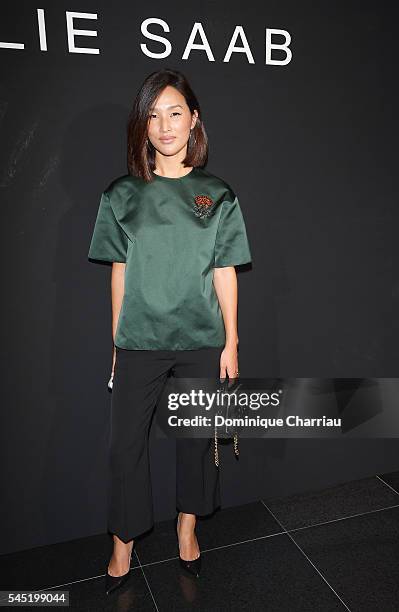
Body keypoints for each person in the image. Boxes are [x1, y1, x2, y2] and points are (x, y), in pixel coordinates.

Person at [88, 68, 253, 595]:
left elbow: (225, 269)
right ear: (142, 125)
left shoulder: (218, 194)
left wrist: (231, 341)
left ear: (194, 120)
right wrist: (117, 340)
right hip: (140, 340)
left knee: (195, 441)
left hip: (201, 339)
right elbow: (118, 270)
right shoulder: (120, 195)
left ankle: (187, 529)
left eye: (175, 112)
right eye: (153, 114)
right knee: (124, 448)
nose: (164, 125)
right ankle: (123, 541)